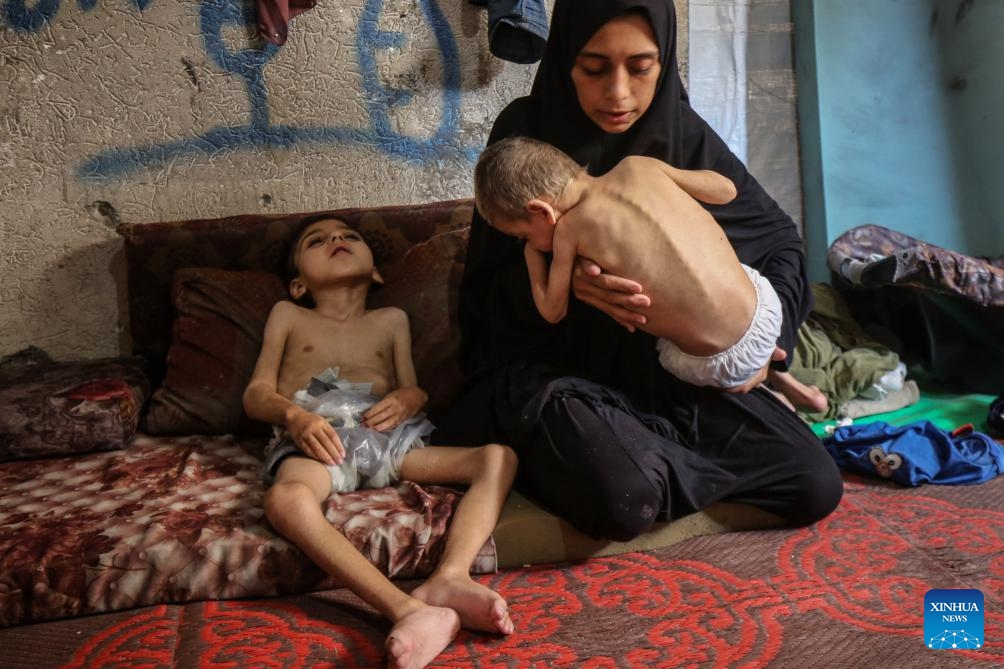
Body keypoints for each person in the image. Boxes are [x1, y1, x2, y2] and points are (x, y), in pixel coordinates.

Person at [433, 0, 843, 541]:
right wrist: (572, 283)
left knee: (813, 482)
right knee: (621, 499)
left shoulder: (682, 136)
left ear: (665, 60)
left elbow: (779, 243)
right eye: (595, 68)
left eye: (642, 67)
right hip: (564, 372)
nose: (619, 93)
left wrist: (769, 347)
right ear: (563, 60)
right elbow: (485, 295)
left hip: (667, 376)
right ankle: (643, 467)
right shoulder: (525, 136)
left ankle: (646, 462)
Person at [244, 214, 517, 669]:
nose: (336, 239)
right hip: (321, 439)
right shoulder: (289, 314)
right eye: (317, 240)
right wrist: (294, 416)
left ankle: (450, 577)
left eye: (348, 235)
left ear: (375, 272)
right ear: (297, 284)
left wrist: (411, 397)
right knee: (286, 499)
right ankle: (407, 609)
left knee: (497, 457)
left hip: (390, 439)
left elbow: (412, 388)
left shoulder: (391, 319)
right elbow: (256, 394)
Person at [473, 136, 828, 412]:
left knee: (663, 349)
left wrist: (532, 257)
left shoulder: (569, 230)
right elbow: (727, 191)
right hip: (766, 308)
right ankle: (787, 380)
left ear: (541, 212)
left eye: (522, 234)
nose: (528, 242)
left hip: (720, 364)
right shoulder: (638, 166)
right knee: (725, 275)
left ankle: (770, 398)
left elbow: (553, 311)